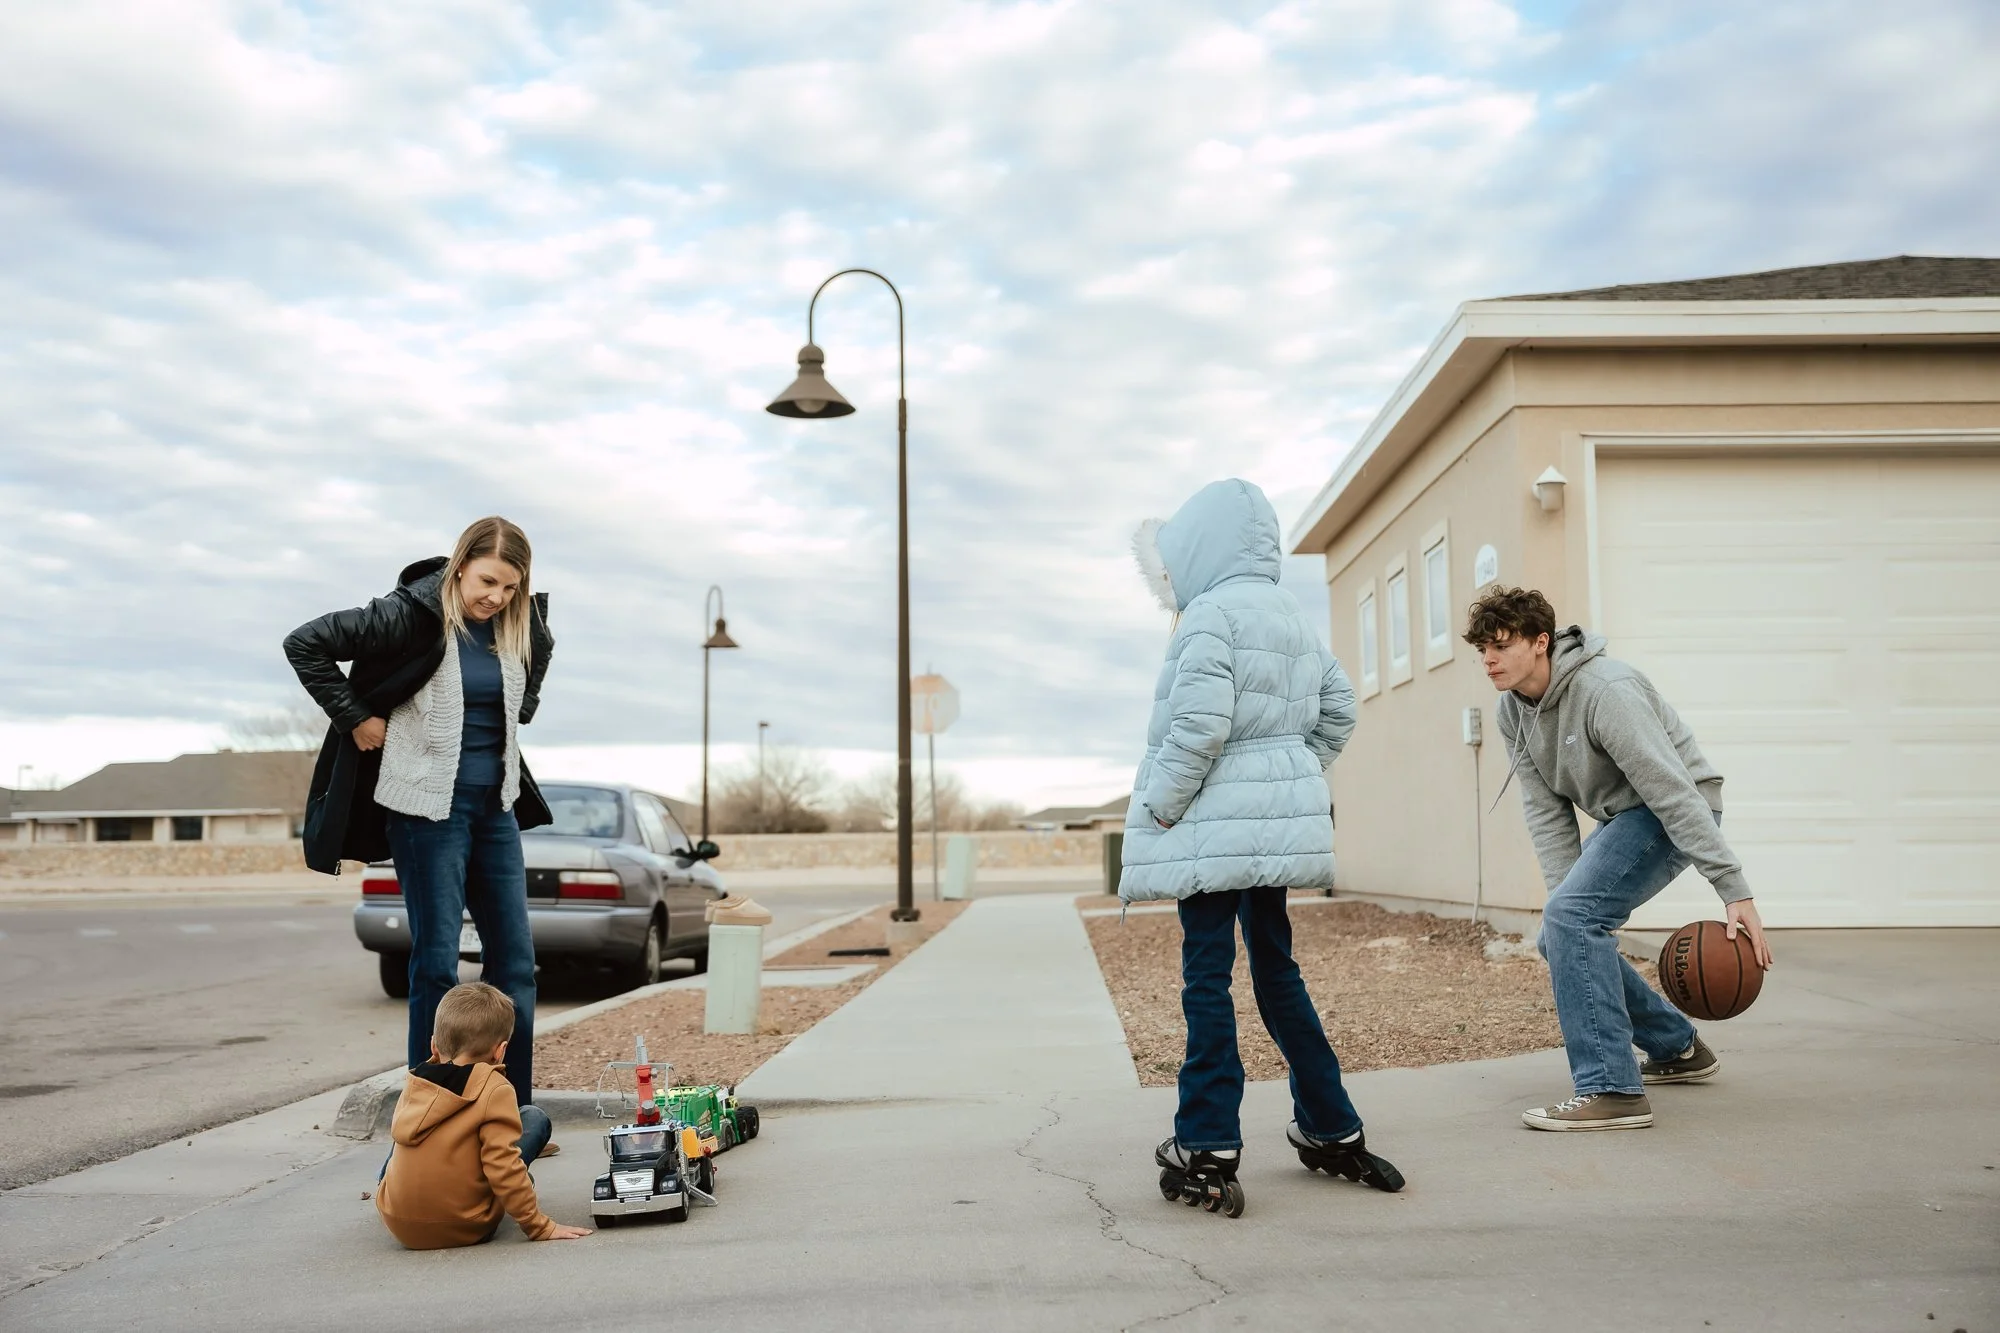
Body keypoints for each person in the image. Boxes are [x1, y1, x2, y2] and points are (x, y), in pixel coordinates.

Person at [1121, 479, 1404, 1217]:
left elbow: (1200, 727)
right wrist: (1290, 768)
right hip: (1269, 830)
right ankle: (1331, 1122)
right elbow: (1338, 708)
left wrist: (1161, 806)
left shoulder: (1209, 616)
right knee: (1278, 972)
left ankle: (1208, 1140)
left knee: (1206, 978)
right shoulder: (1289, 614)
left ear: (1199, 548)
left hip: (1213, 834)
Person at [1466, 587, 1774, 1133]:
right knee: (1560, 931)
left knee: (1571, 922)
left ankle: (1611, 1089)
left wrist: (1733, 888)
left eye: (1501, 645)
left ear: (1541, 642)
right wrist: (1566, 904)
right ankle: (1676, 1048)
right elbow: (1546, 812)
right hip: (1626, 817)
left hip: (1673, 808)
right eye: (1482, 649)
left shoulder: (1606, 691)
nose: (1488, 659)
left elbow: (1673, 791)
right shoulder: (1512, 711)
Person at [285, 516, 554, 1112]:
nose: (497, 597)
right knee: (436, 964)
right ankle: (430, 1110)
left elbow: (530, 679)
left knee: (516, 965)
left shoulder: (518, 624)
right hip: (427, 812)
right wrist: (354, 716)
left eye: (510, 587)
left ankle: (513, 1110)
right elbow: (304, 643)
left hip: (495, 810)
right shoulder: (410, 614)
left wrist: (521, 707)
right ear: (459, 567)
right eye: (487, 581)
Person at [375, 982, 589, 1248]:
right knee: (534, 1119)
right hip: (463, 1225)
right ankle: (515, 1188)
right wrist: (538, 1226)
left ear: (433, 1046)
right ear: (500, 1051)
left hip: (398, 1222)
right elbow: (502, 1165)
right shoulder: (494, 1088)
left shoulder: (415, 1082)